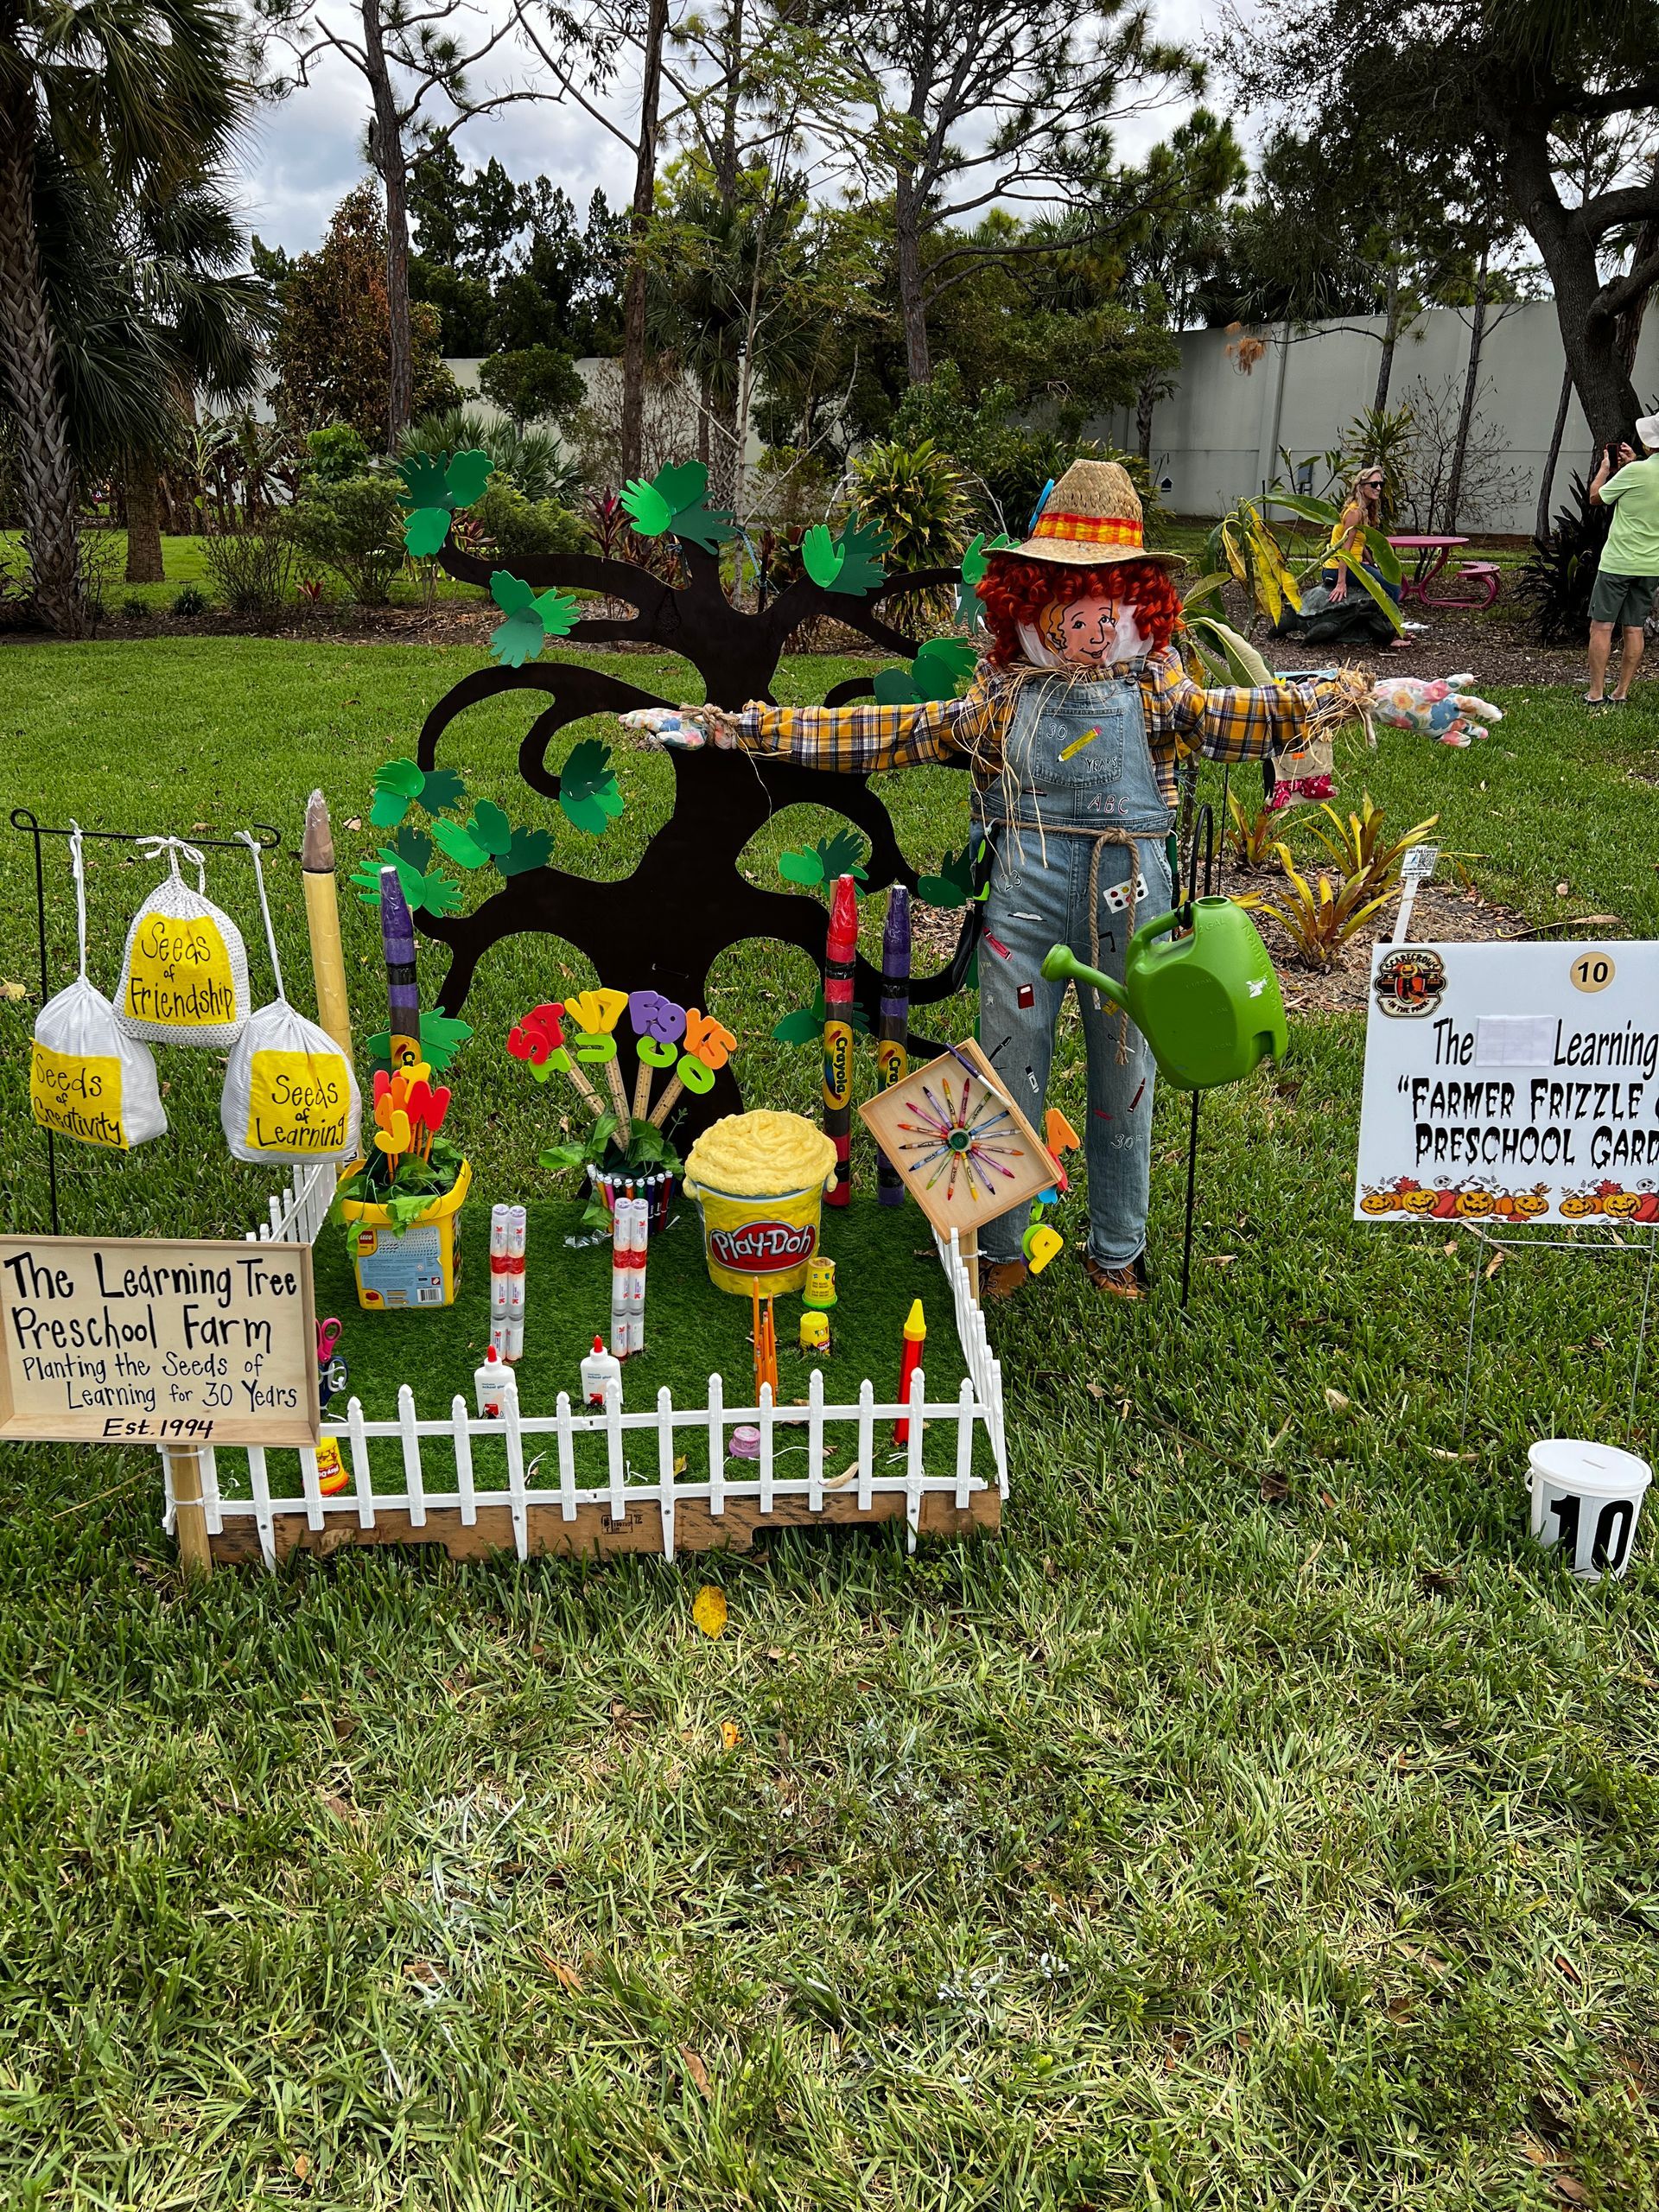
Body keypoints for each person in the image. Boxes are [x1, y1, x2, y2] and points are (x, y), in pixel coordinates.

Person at [624, 461, 1368, 1303]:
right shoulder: (1000, 700)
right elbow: (887, 731)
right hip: (1027, 895)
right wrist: (735, 729)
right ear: (1030, 599)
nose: (1091, 625)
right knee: (1010, 1070)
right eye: (1068, 603)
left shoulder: (1161, 690)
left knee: (1126, 1069)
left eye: (1111, 604)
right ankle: (1001, 1243)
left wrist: (1365, 694)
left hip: (1134, 902)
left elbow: (1245, 715)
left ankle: (1118, 1246)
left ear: (1139, 605)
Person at [1586, 416, 1659, 709]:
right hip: (1652, 565)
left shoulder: (1634, 472)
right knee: (1634, 628)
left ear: (1646, 442)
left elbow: (1595, 498)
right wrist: (1633, 464)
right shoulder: (1639, 470)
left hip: (1618, 562)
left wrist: (1606, 467)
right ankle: (1622, 692)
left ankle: (1595, 693)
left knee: (1602, 627)